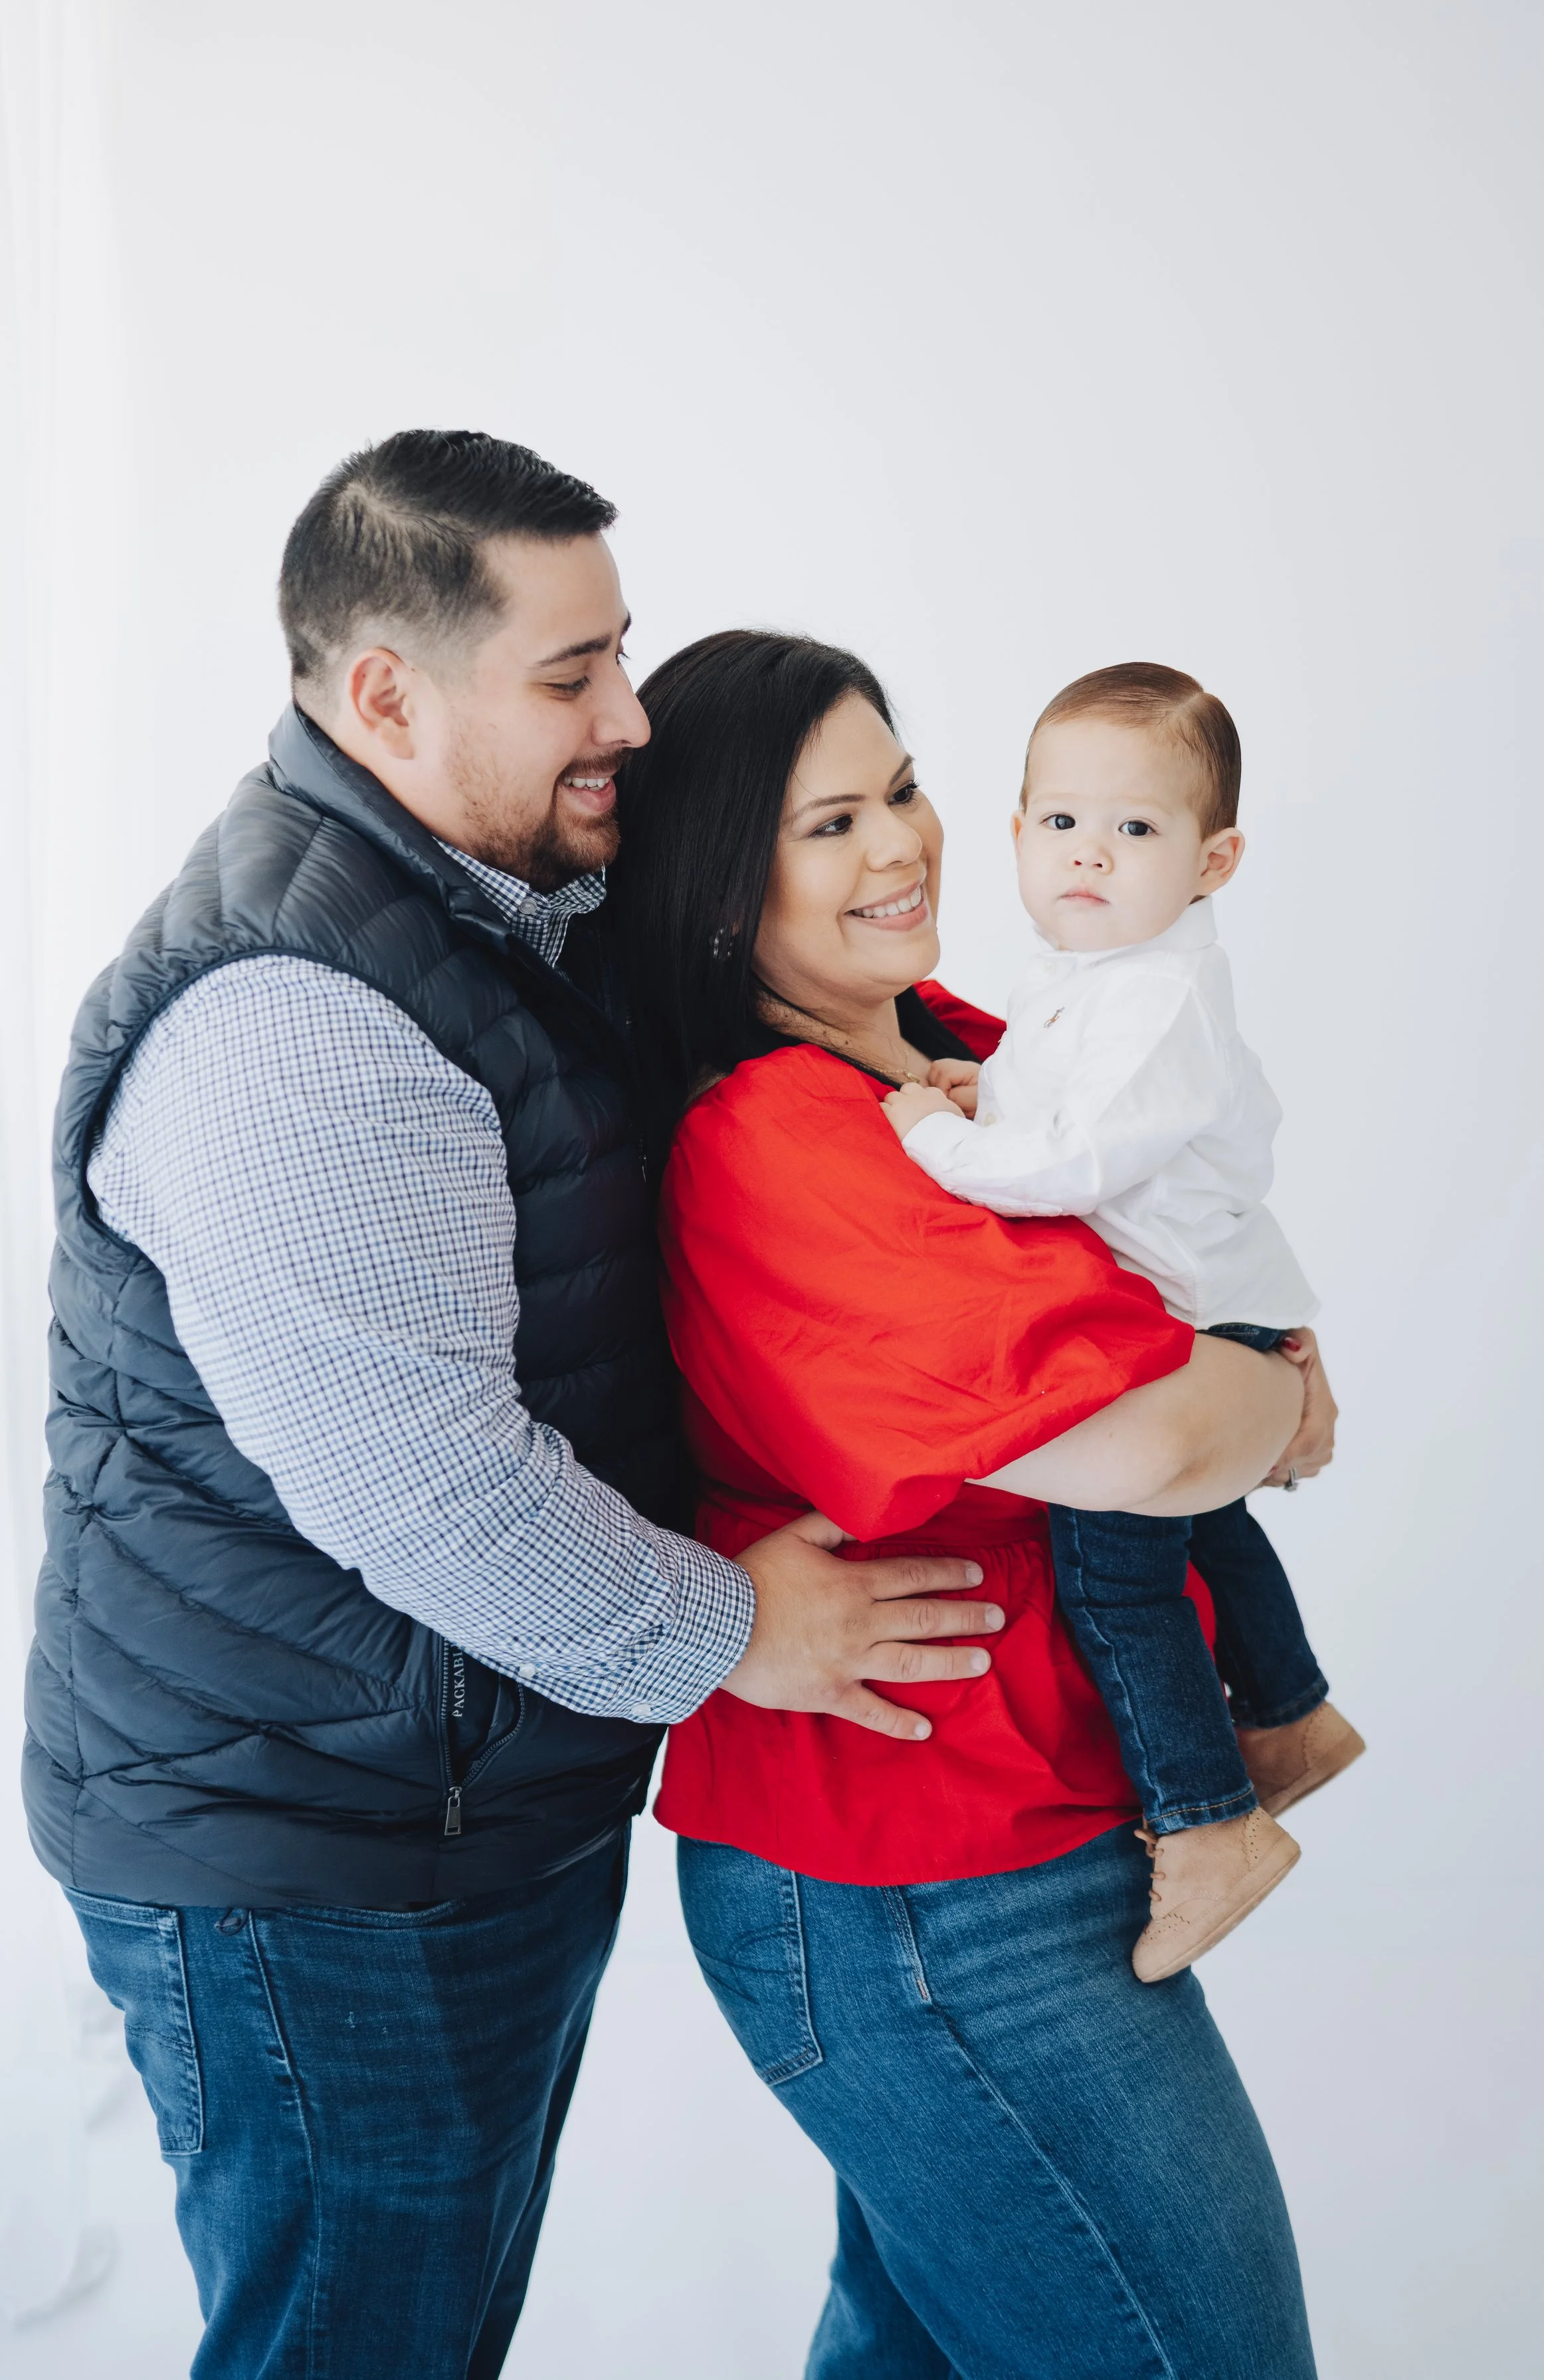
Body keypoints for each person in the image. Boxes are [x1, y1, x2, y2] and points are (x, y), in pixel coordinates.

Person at [22, 434, 1001, 2380]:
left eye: (618, 652)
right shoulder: (294, 1011)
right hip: (312, 1854)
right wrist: (743, 1630)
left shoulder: (485, 905)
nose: (628, 718)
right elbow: (430, 1494)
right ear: (381, 690)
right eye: (570, 676)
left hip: (441, 1809)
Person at [615, 628, 1333, 2379]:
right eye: (827, 821)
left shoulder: (948, 1046)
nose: (901, 846)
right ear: (720, 888)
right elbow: (1149, 1440)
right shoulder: (779, 1137)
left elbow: (1187, 1267)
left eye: (907, 788)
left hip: (1015, 1831)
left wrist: (1232, 1372)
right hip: (921, 1886)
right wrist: (1278, 1389)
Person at [881, 661, 1363, 1981]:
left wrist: (932, 1137)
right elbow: (1063, 1113)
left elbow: (1074, 1165)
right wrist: (983, 1092)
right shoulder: (1093, 975)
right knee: (1207, 1523)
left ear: (1214, 861)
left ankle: (1209, 1825)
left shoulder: (1153, 997)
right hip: (1203, 1316)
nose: (1087, 854)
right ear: (1017, 831)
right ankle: (1288, 1715)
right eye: (1057, 824)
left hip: (1190, 1331)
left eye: (1135, 831)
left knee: (1116, 1580)